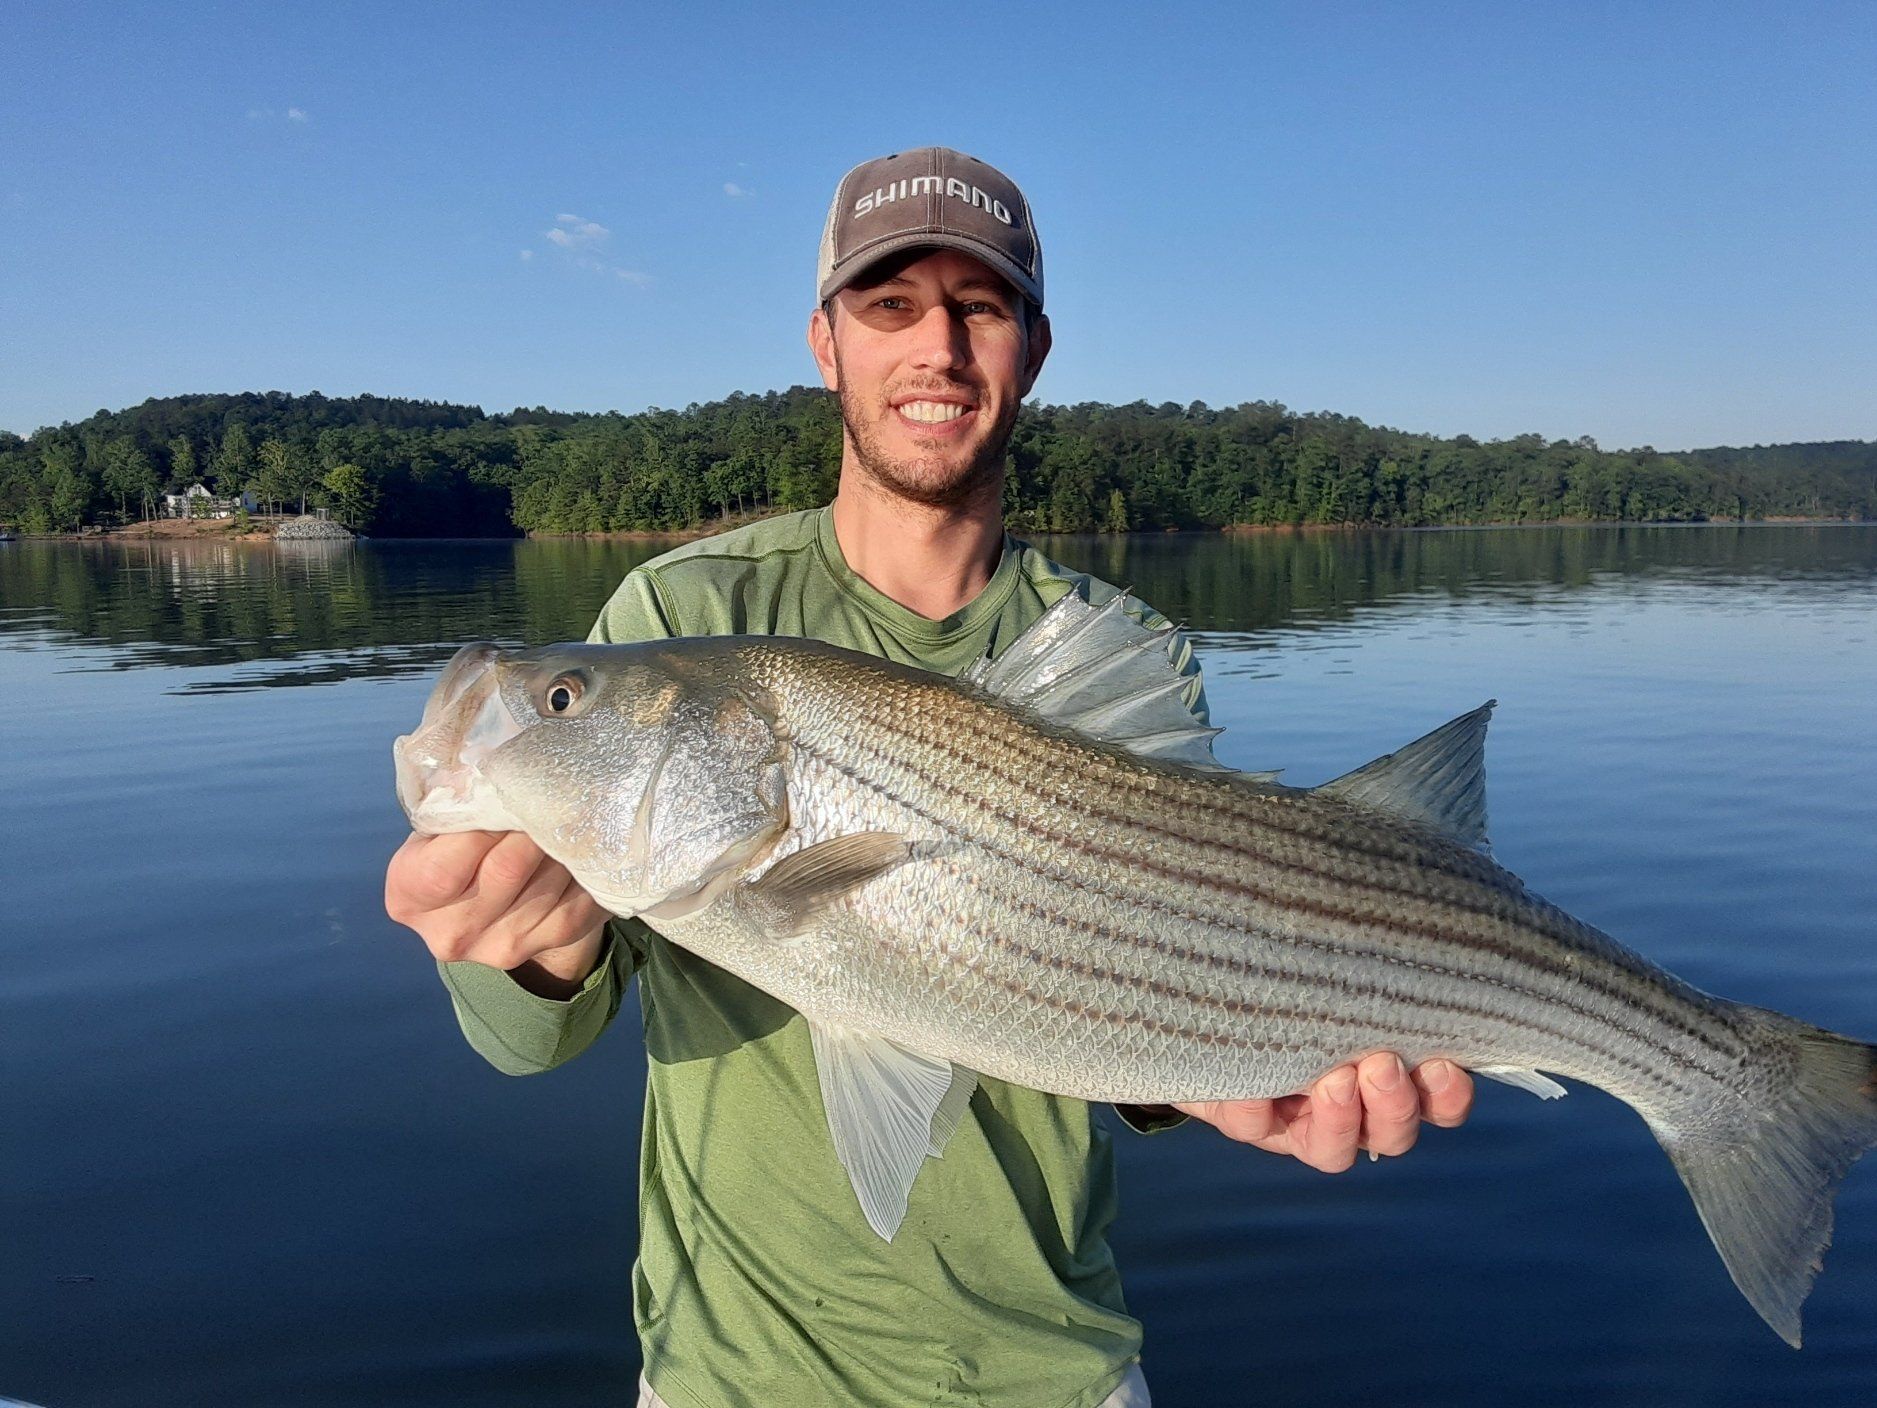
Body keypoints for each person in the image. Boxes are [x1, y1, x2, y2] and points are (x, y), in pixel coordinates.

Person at [385, 147, 1474, 1408]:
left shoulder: (1121, 648)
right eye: (888, 306)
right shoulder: (676, 612)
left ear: (1032, 347)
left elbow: (1153, 955)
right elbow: (532, 1037)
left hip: (1051, 1371)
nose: (937, 349)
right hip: (733, 1378)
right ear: (824, 343)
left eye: (980, 307)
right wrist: (520, 949)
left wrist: (1230, 1087)